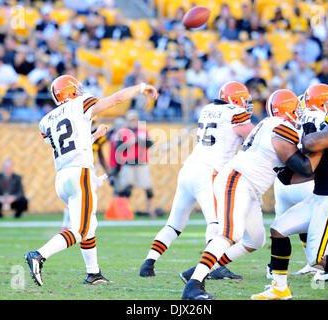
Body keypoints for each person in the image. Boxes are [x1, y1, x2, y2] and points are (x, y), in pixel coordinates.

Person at [181, 89, 321, 300]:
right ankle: (193, 287)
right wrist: (320, 149)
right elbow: (303, 167)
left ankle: (197, 271)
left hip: (246, 185)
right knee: (229, 234)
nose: (299, 113)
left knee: (254, 240)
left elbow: (286, 177)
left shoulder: (269, 124)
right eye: (296, 109)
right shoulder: (282, 127)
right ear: (288, 109)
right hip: (238, 180)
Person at [24, 74, 158, 286]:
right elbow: (116, 99)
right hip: (80, 174)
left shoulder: (45, 121)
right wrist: (141, 86)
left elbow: (66, 145)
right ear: (72, 90)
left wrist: (93, 137)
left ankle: (93, 273)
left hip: (62, 177)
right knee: (81, 229)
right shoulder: (80, 103)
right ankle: (39, 255)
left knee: (89, 225)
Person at [139, 82, 254, 281]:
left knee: (174, 224)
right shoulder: (235, 111)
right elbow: (253, 136)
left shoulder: (207, 109)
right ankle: (215, 267)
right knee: (217, 224)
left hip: (188, 169)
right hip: (208, 172)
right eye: (244, 99)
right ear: (236, 99)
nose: (247, 104)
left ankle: (148, 263)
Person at [252, 95, 328, 300]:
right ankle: (280, 288)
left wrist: (303, 134)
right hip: (322, 197)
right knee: (279, 229)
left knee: (318, 259)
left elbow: (312, 142)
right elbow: (314, 170)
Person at [113, 110, 156, 217]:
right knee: (127, 188)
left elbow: (150, 144)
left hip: (142, 162)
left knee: (147, 186)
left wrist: (141, 141)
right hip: (128, 163)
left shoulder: (142, 131)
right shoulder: (123, 132)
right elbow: (118, 148)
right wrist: (129, 143)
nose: (133, 121)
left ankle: (151, 209)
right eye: (131, 119)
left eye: (135, 119)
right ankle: (125, 211)